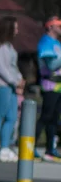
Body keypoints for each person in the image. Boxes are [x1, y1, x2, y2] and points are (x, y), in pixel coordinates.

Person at [0, 15, 24, 162]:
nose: (17, 31)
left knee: (12, 118)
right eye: (15, 28)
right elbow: (1, 69)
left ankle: (5, 148)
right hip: (0, 86)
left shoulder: (9, 46)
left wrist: (19, 79)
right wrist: (15, 81)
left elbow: (13, 66)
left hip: (11, 87)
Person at [37, 15, 61, 161]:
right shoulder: (45, 42)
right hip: (49, 85)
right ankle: (30, 146)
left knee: (54, 119)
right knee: (45, 117)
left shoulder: (57, 43)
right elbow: (51, 65)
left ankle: (50, 150)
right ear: (50, 26)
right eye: (59, 26)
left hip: (59, 86)